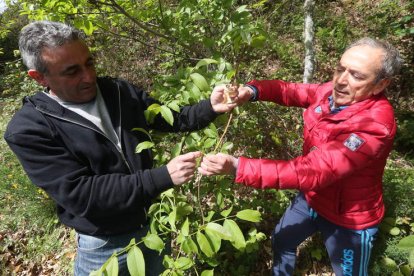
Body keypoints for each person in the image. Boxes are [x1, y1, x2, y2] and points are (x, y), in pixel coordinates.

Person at [4, 21, 237, 276]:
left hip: (153, 223)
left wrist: (210, 107)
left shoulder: (117, 90)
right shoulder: (28, 129)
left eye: (89, 63)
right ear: (39, 77)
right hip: (105, 244)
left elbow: (171, 118)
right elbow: (82, 195)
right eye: (72, 72)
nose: (89, 76)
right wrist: (161, 177)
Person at [198, 37, 402, 275]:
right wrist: (252, 91)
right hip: (312, 197)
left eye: (357, 76)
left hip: (349, 219)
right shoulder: (330, 92)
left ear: (380, 85)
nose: (341, 81)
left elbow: (314, 171)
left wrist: (238, 166)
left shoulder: (374, 124)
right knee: (281, 240)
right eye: (340, 69)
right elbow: (293, 91)